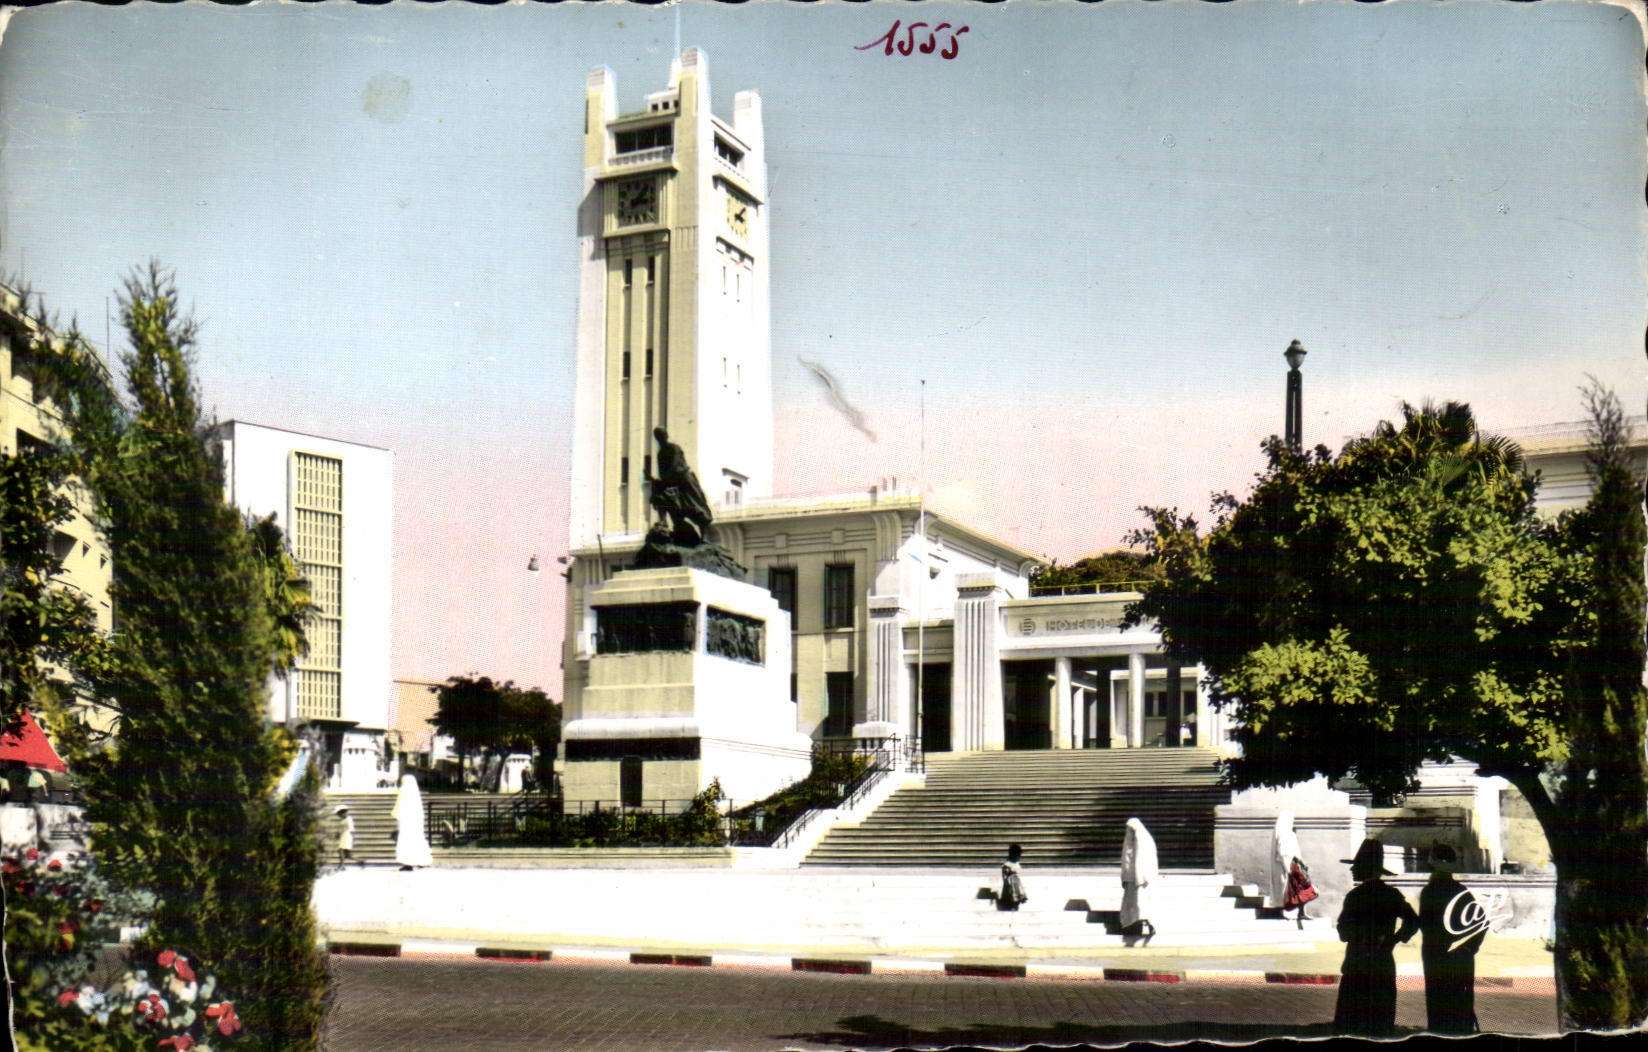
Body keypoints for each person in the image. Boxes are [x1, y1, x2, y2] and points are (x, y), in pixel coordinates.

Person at [1334, 837, 1419, 1036]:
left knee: (1352, 1020)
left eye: (1356, 866)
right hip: (1382, 961)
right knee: (1381, 1020)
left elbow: (1342, 930)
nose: (1352, 870)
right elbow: (1413, 920)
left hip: (1357, 961)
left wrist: (1359, 938)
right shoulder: (1391, 895)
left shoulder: (1355, 896)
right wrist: (1393, 939)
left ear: (1365, 868)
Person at [1419, 844, 1488, 1034]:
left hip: (1437, 958)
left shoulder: (1430, 892)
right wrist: (1468, 948)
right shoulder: (1461, 891)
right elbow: (1482, 922)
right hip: (1459, 959)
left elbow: (1427, 926)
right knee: (1461, 1006)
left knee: (1438, 1007)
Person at [646, 427, 714, 544]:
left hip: (684, 479)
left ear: (666, 436)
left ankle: (704, 536)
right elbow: (663, 473)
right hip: (672, 480)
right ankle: (663, 521)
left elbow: (675, 467)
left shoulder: (673, 448)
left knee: (696, 506)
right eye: (658, 436)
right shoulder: (661, 453)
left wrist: (663, 480)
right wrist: (656, 480)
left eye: (662, 435)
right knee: (658, 490)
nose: (661, 438)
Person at [1272, 811, 1317, 927]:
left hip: (1294, 865)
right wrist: (1289, 868)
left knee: (1302, 888)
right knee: (1286, 889)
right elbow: (1283, 853)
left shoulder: (1289, 834)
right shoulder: (1284, 834)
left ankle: (1301, 912)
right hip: (1287, 866)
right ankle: (1283, 912)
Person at [1120, 817, 1158, 945]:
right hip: (1133, 878)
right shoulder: (1134, 840)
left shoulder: (1141, 839)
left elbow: (1140, 860)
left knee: (1140, 905)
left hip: (1139, 879)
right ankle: (1133, 927)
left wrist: (1140, 877)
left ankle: (1144, 928)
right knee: (1133, 905)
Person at [391, 774, 433, 871]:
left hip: (406, 824)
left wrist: (395, 814)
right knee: (417, 840)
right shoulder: (416, 795)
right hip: (415, 825)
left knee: (406, 842)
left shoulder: (403, 791)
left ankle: (408, 863)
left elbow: (399, 805)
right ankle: (421, 861)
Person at [998, 843, 1028, 912]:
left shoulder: (1017, 864)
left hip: (1017, 887)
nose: (1019, 857)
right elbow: (1006, 878)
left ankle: (1017, 901)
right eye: (1018, 855)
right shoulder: (1007, 865)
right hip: (1011, 888)